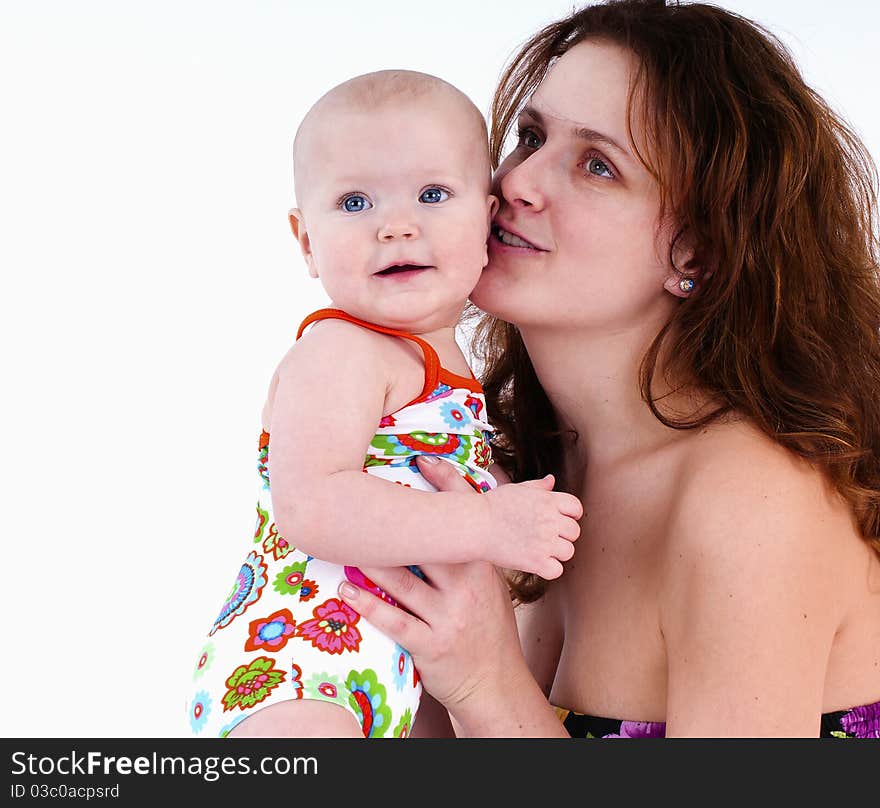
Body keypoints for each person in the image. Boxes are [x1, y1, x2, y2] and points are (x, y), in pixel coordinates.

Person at [337, 0, 880, 738]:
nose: (519, 181)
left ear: (697, 252)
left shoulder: (748, 504)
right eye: (530, 136)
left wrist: (486, 683)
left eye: (597, 165)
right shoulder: (501, 471)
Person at [184, 69, 583, 739]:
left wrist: (513, 508)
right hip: (297, 668)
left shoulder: (441, 367)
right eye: (354, 203)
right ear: (306, 240)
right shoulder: (342, 350)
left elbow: (433, 478)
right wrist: (489, 525)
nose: (396, 227)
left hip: (388, 677)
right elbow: (312, 505)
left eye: (431, 195)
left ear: (486, 219)